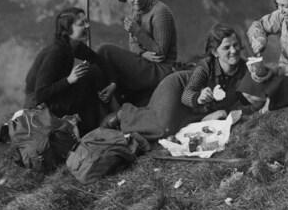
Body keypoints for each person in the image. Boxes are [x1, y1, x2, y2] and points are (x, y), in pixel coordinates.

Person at [103, 23, 248, 140]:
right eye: (226, 47)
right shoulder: (205, 67)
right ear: (215, 52)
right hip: (178, 87)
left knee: (180, 131)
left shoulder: (245, 69)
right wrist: (199, 97)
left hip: (196, 110)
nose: (233, 51)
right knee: (163, 128)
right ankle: (124, 114)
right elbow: (187, 95)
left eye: (235, 45)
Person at [24, 6, 115, 135]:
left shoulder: (74, 46)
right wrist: (69, 80)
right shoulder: (56, 52)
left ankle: (99, 126)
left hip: (55, 97)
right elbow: (40, 94)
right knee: (86, 78)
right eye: (81, 24)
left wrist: (112, 84)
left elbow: (99, 61)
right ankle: (92, 131)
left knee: (92, 72)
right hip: (40, 106)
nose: (87, 26)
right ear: (66, 30)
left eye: (86, 21)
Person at [97, 0, 178, 105]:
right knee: (103, 64)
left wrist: (136, 31)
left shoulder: (160, 12)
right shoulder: (137, 10)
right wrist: (143, 53)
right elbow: (133, 45)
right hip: (147, 62)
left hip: (161, 70)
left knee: (105, 51)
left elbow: (160, 54)